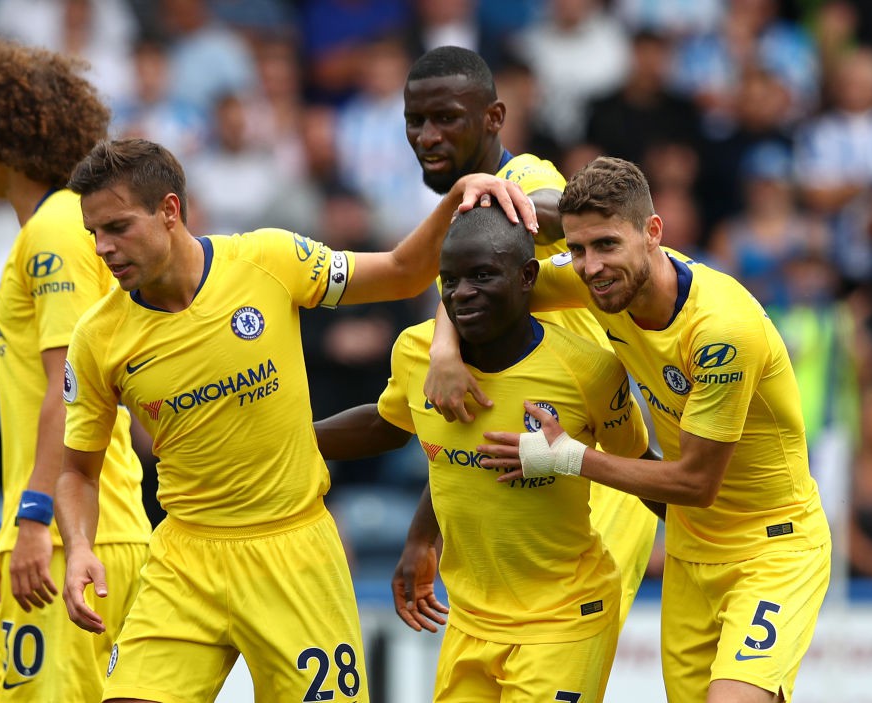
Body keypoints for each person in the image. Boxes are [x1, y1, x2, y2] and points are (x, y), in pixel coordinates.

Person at [55, 137, 534, 702]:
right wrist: (79, 545)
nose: (103, 248)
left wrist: (454, 199)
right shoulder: (96, 338)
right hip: (184, 557)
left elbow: (403, 273)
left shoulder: (267, 260)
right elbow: (77, 473)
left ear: (169, 210)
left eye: (117, 227)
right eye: (94, 234)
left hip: (294, 551)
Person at [449, 156, 832, 702]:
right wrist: (445, 348)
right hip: (691, 552)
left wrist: (568, 457)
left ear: (653, 233)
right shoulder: (599, 285)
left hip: (773, 548)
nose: (590, 266)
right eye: (577, 249)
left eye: (607, 245)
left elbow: (697, 485)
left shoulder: (721, 330)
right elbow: (483, 284)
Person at [314, 202, 658, 701]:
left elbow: (640, 470)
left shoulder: (589, 371)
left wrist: (713, 539)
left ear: (527, 277)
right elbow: (395, 429)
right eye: (450, 281)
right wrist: (418, 539)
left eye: (482, 276)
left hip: (565, 619)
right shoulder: (418, 353)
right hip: (469, 618)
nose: (463, 294)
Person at [401, 44, 659, 627]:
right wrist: (425, 533)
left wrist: (443, 345)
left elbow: (557, 207)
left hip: (595, 477)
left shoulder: (523, 177)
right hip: (531, 468)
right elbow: (477, 412)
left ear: (494, 119)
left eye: (446, 119)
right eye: (416, 121)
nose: (427, 136)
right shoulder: (467, 227)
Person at [0, 41, 151, 703]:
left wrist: (40, 521)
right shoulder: (58, 228)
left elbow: (65, 389)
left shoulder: (56, 231)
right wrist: (10, 530)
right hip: (56, 525)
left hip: (82, 530)